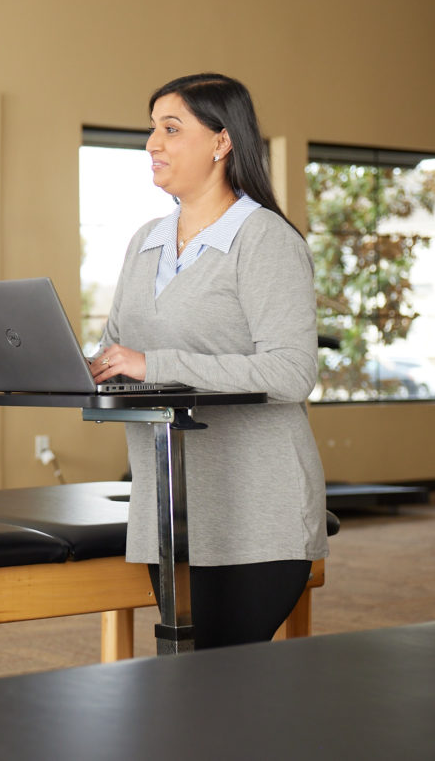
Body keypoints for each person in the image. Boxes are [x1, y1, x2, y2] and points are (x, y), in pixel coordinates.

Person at [90, 72, 327, 649]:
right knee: (182, 678)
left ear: (222, 142)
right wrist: (83, 367)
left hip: (254, 512)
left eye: (171, 129)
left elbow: (293, 371)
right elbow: (119, 349)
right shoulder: (145, 239)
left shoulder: (265, 239)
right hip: (171, 508)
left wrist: (155, 364)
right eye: (152, 129)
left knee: (223, 684)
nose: (153, 144)